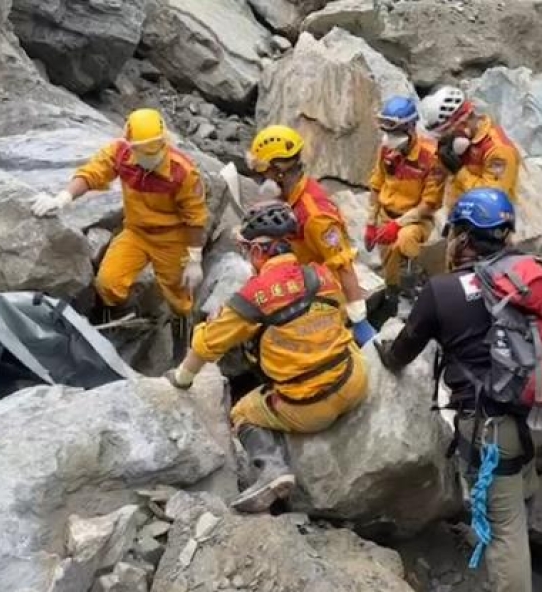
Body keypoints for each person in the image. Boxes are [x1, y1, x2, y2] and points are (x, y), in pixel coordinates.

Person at [376, 188, 542, 592]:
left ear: (464, 237)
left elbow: (401, 353)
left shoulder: (444, 290)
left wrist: (382, 349)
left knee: (505, 527)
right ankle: (525, 537)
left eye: (454, 233)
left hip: (490, 425)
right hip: (540, 409)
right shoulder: (531, 274)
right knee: (519, 486)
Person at [165, 200, 369, 512]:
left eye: (247, 249)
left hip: (310, 408)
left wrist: (183, 378)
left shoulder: (253, 296)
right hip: (354, 382)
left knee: (242, 412)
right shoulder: (320, 274)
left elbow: (207, 345)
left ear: (259, 251)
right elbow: (338, 315)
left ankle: (273, 468)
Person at [32, 109, 207, 344]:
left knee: (180, 295)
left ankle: (183, 337)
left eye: (156, 149)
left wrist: (194, 258)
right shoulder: (120, 154)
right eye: (145, 151)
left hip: (172, 238)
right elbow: (92, 172)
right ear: (131, 146)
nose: (152, 156)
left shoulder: (183, 171)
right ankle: (116, 328)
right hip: (136, 232)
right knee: (108, 283)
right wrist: (63, 197)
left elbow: (195, 217)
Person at [247, 125, 375, 346]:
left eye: (263, 171)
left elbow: (342, 265)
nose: (260, 177)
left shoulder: (315, 215)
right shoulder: (288, 197)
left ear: (278, 171)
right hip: (298, 275)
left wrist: (359, 318)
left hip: (319, 290)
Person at [367, 96, 445, 318]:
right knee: (389, 265)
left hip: (416, 219)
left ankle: (411, 290)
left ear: (411, 128)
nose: (389, 138)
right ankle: (392, 295)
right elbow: (376, 185)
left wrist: (399, 224)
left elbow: (429, 204)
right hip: (386, 215)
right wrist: (371, 223)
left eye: (395, 132)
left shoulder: (430, 157)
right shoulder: (387, 150)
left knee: (404, 240)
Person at [419, 86, 521, 210]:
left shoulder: (498, 150)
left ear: (462, 124)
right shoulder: (457, 143)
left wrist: (460, 171)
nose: (444, 139)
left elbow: (490, 199)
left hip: (485, 217)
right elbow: (436, 182)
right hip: (457, 213)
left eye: (446, 133)